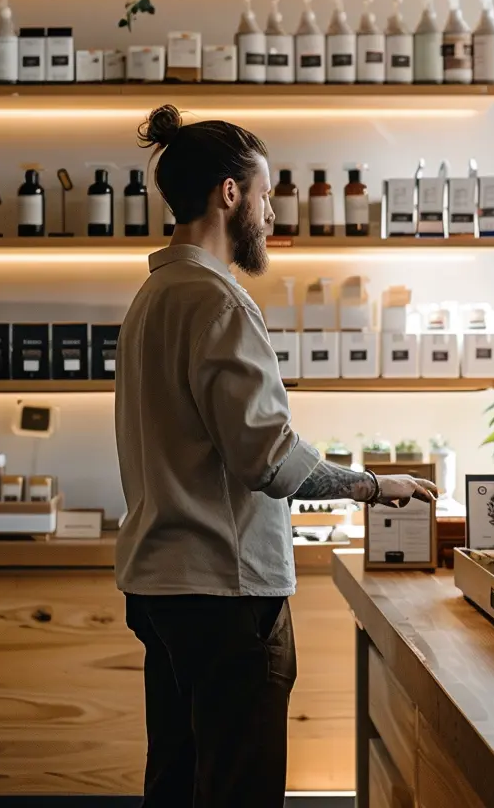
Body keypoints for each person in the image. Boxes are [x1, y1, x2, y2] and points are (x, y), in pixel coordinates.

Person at [115, 105, 437, 808]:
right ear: (229, 194)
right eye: (263, 195)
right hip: (225, 594)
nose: (267, 213)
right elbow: (268, 460)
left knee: (175, 780)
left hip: (159, 586)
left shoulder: (152, 297)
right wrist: (374, 487)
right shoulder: (218, 301)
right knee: (239, 789)